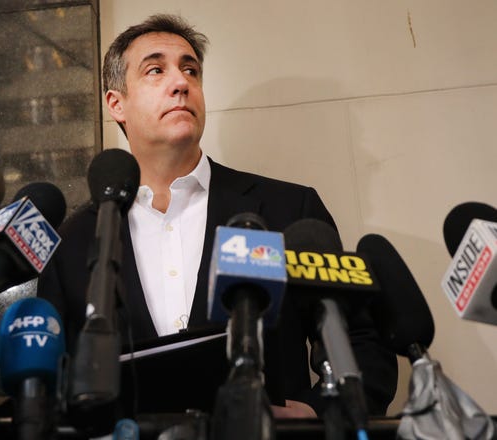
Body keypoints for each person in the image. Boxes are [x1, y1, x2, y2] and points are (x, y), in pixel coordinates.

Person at [39, 13, 396, 421]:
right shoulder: (72, 243)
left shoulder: (287, 210)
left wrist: (316, 414)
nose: (181, 83)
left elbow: (365, 346)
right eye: (156, 70)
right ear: (116, 102)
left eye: (191, 70)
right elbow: (51, 384)